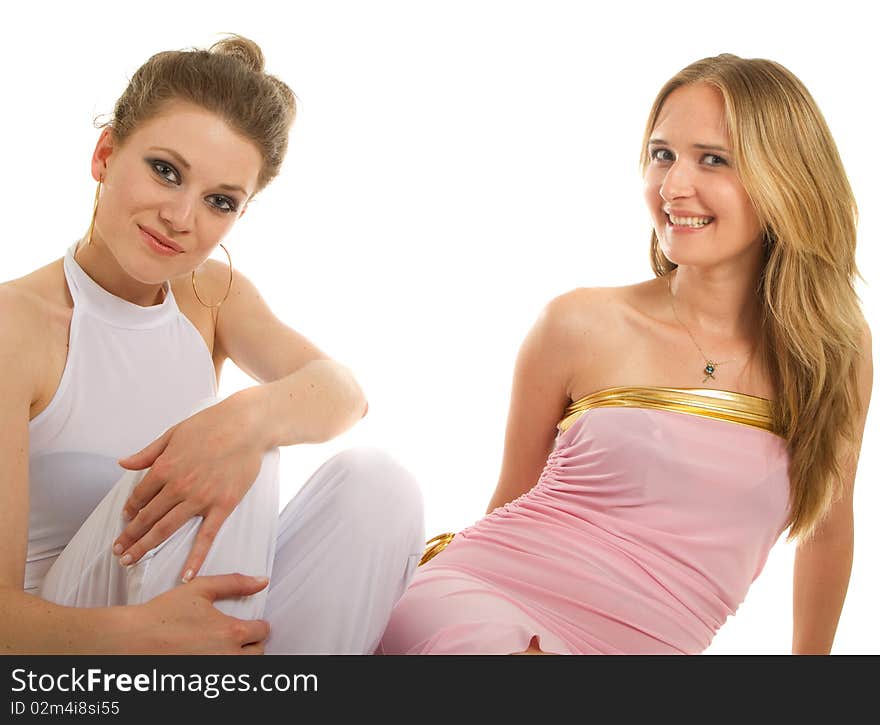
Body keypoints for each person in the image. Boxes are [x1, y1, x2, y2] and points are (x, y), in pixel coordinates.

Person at [378, 53, 873, 655]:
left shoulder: (831, 351)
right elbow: (508, 502)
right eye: (662, 154)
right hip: (483, 602)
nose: (672, 187)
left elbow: (827, 532)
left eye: (712, 159)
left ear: (785, 180)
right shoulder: (581, 322)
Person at [0, 35, 424, 654]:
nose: (181, 217)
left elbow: (344, 395)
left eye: (219, 201)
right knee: (234, 460)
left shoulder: (211, 296)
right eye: (165, 171)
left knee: (379, 484)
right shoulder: (15, 328)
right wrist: (140, 635)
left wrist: (245, 420)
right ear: (105, 153)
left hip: (191, 635)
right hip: (68, 661)